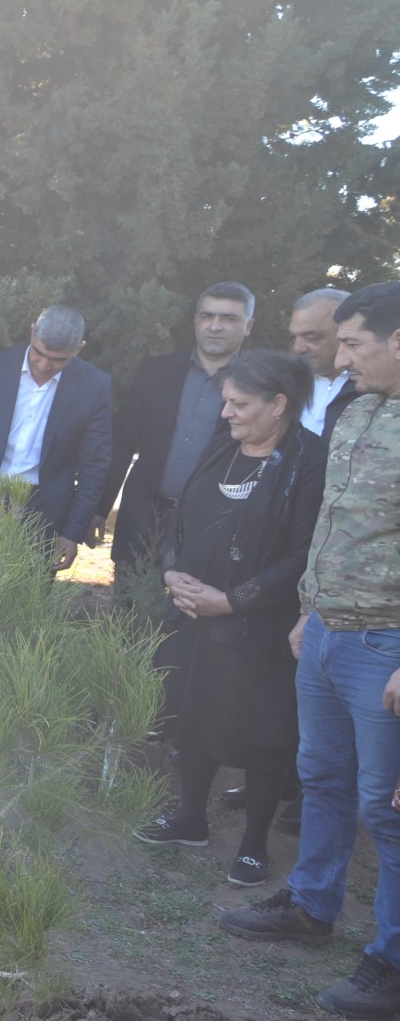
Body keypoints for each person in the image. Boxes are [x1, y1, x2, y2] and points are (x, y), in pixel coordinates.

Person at [219, 282, 400, 1018]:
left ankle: (390, 962)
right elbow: (331, 523)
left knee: (386, 810)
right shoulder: (356, 410)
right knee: (321, 777)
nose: (340, 355)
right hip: (326, 630)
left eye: (353, 342)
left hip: (386, 647)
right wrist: (309, 612)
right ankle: (313, 905)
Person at [127, 352, 324, 889]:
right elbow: (181, 520)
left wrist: (234, 600)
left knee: (264, 730)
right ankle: (191, 817)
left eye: (239, 404)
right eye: (226, 402)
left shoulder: (309, 459)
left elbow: (303, 553)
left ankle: (255, 842)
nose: (227, 413)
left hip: (261, 622)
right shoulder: (223, 448)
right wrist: (173, 574)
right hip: (194, 612)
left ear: (278, 405)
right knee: (194, 710)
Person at [92, 282, 255, 574]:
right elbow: (123, 443)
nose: (215, 326)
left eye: (229, 318)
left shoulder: (259, 383)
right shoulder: (156, 371)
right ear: (195, 321)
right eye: (207, 316)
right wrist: (98, 509)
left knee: (192, 618)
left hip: (213, 529)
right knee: (130, 615)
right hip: (143, 519)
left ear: (249, 326)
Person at [0, 304, 112, 573]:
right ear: (32, 332)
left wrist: (72, 532)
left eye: (58, 360)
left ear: (79, 349)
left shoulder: (94, 386)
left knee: (25, 602)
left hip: (43, 509)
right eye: (39, 353)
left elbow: (95, 466)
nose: (45, 365)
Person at [289, 287, 361, 437]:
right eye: (294, 338)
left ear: (345, 333)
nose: (298, 348)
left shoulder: (371, 387)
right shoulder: (284, 384)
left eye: (311, 337)